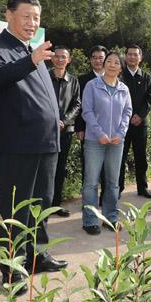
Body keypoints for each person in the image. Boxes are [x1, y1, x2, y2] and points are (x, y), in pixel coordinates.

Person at [0, 0, 68, 296]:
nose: (33, 23)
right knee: (15, 210)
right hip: (17, 145)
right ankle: (11, 270)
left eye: (37, 18)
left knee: (41, 204)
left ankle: (36, 256)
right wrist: (30, 60)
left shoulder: (33, 51)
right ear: (9, 15)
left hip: (46, 143)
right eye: (27, 16)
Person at [81, 51, 132, 234]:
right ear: (103, 65)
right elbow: (87, 112)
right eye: (108, 61)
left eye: (116, 62)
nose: (112, 64)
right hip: (95, 141)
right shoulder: (92, 85)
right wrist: (100, 133)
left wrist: (121, 132)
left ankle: (110, 218)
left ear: (121, 67)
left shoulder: (124, 89)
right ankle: (91, 220)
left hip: (116, 142)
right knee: (91, 182)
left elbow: (127, 112)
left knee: (112, 182)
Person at [119, 44, 151, 199]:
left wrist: (140, 115)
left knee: (141, 157)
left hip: (141, 124)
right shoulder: (119, 75)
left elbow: (150, 99)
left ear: (140, 58)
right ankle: (117, 188)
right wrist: (127, 117)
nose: (132, 57)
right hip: (121, 124)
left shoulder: (146, 77)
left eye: (135, 54)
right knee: (120, 156)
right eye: (129, 54)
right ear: (125, 56)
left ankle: (142, 187)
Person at [49, 45, 81, 218]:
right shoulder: (44, 77)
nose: (60, 59)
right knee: (45, 168)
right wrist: (52, 120)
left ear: (69, 60)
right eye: (57, 56)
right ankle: (43, 204)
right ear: (52, 58)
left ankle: (56, 204)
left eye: (64, 57)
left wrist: (65, 120)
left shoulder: (73, 80)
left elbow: (77, 103)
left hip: (66, 131)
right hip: (45, 130)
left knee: (60, 167)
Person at [75, 45, 107, 203]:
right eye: (94, 57)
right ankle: (88, 200)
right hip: (89, 130)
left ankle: (105, 199)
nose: (98, 60)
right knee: (89, 167)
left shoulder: (114, 78)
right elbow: (79, 105)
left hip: (109, 131)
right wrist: (80, 128)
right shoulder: (81, 80)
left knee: (107, 169)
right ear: (90, 60)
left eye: (101, 57)